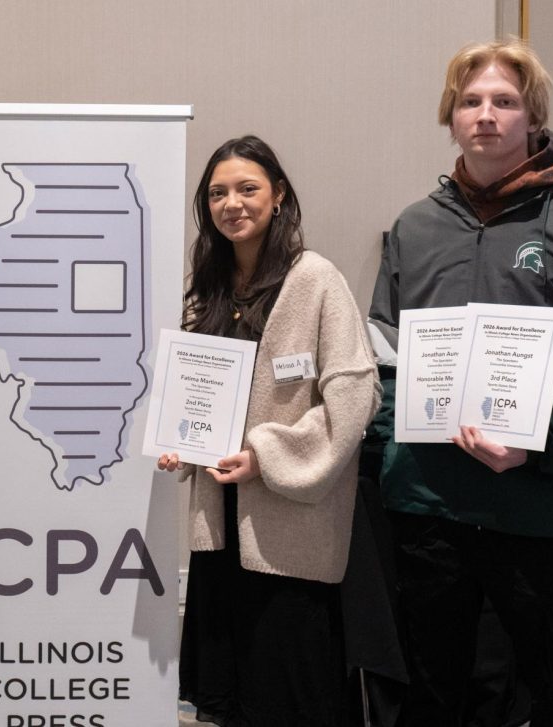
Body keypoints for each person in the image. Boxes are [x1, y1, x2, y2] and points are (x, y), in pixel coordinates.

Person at [366, 38, 553, 726]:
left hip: (536, 506)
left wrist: (544, 447)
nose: (486, 115)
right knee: (433, 693)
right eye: (471, 101)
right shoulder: (413, 228)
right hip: (427, 508)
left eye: (504, 101)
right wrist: (388, 468)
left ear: (533, 117)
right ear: (451, 116)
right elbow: (383, 356)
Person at [158, 135, 381, 725]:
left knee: (291, 694)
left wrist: (266, 454)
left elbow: (356, 395)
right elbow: (199, 393)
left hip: (292, 533)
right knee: (229, 696)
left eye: (248, 188)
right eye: (217, 193)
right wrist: (182, 441)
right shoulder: (207, 288)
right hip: (220, 528)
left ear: (278, 195)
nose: (232, 203)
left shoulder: (317, 280)